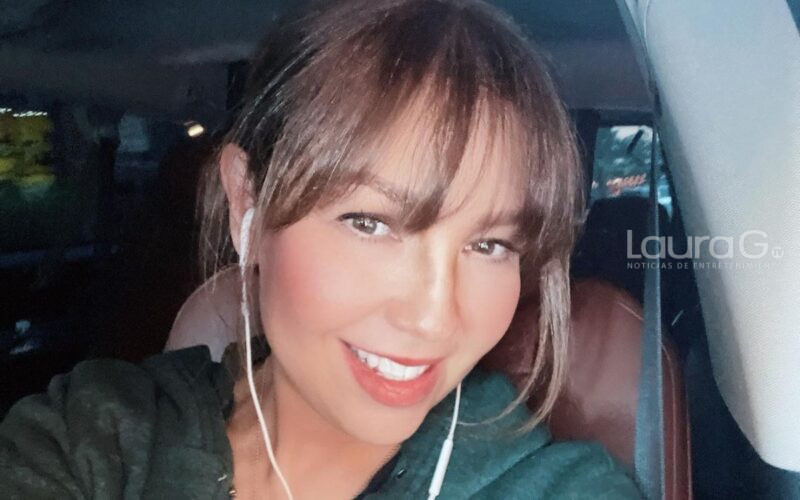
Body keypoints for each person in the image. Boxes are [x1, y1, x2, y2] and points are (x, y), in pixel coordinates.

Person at [0, 0, 642, 498]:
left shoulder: (560, 488)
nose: (433, 317)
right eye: (370, 223)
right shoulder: (96, 438)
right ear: (247, 206)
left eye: (489, 244)